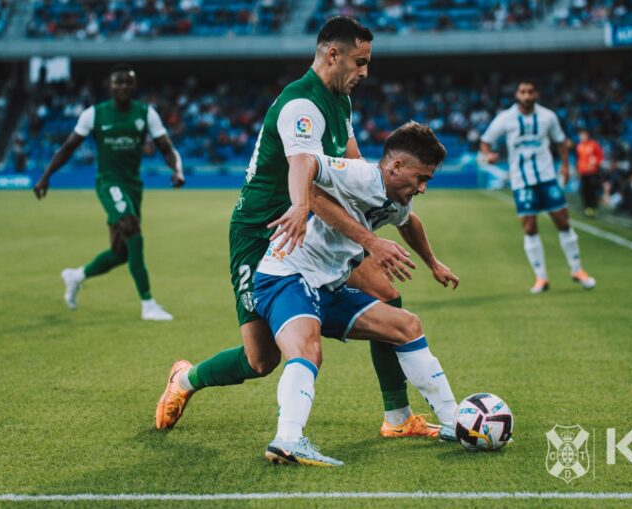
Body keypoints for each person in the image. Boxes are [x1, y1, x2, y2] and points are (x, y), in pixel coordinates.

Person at [156, 17, 439, 439]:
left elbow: (352, 165)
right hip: (263, 232)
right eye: (360, 62)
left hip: (310, 229)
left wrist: (386, 207)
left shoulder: (340, 102)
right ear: (332, 55)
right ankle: (184, 379)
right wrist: (368, 239)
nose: (365, 72)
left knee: (388, 294)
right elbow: (305, 187)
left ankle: (397, 418)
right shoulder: (301, 106)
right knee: (260, 360)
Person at [255, 122, 459, 466]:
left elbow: (409, 222)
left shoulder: (397, 198)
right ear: (396, 166)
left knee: (406, 325)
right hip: (286, 275)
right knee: (305, 349)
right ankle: (287, 440)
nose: (422, 188)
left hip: (328, 287)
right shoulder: (359, 175)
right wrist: (366, 239)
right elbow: (305, 162)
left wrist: (433, 263)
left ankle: (456, 423)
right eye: (420, 178)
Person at [33, 63, 185, 321]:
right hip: (108, 182)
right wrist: (46, 177)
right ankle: (148, 304)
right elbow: (68, 147)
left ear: (134, 86)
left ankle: (76, 276)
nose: (123, 86)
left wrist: (177, 170)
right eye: (119, 82)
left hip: (133, 186)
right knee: (130, 226)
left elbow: (166, 147)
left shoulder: (146, 114)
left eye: (128, 82)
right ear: (110, 86)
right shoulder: (94, 114)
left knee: (121, 253)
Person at [480, 79, 596, 294]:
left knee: (562, 221)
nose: (526, 95)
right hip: (521, 180)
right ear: (517, 94)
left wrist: (565, 166)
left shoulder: (547, 117)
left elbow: (560, 141)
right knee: (529, 227)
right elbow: (485, 140)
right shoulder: (506, 118)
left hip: (546, 177)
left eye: (530, 91)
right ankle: (541, 277)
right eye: (522, 91)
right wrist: (489, 155)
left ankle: (577, 269)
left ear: (536, 94)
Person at [575, 129, 604, 217]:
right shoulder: (579, 146)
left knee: (592, 190)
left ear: (587, 135)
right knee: (584, 191)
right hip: (583, 172)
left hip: (592, 172)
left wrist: (595, 164)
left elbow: (600, 156)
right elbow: (579, 159)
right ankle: (586, 208)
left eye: (583, 135)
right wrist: (578, 169)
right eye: (581, 136)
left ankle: (593, 208)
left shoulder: (593, 145)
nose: (582, 137)